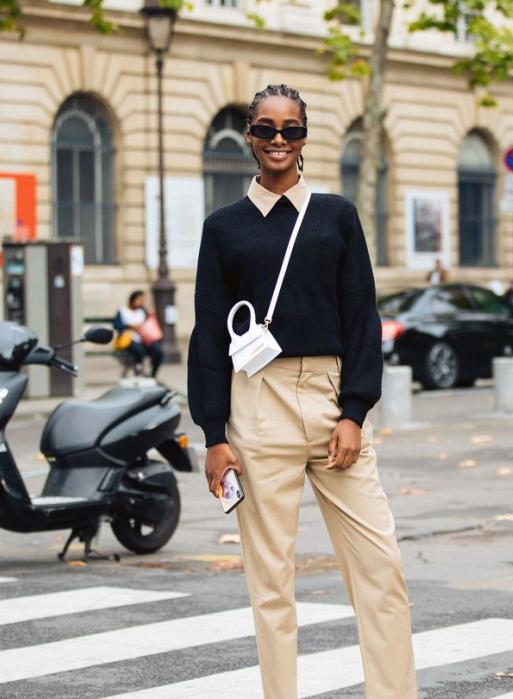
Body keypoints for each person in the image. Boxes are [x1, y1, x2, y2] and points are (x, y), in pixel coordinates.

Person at [188, 84, 417, 699]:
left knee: (380, 568)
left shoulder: (337, 215)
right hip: (257, 405)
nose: (279, 141)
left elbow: (361, 315)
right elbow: (208, 333)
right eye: (266, 129)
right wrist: (214, 435)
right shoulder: (223, 228)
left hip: (330, 398)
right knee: (271, 583)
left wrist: (355, 411)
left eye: (290, 130)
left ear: (305, 138)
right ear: (250, 139)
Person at [113, 290, 163, 378]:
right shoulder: (122, 310)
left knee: (158, 351)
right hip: (129, 339)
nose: (141, 302)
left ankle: (153, 374)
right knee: (138, 350)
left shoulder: (142, 311)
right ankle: (138, 370)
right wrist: (130, 327)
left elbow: (149, 323)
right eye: (139, 300)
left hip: (144, 338)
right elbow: (117, 325)